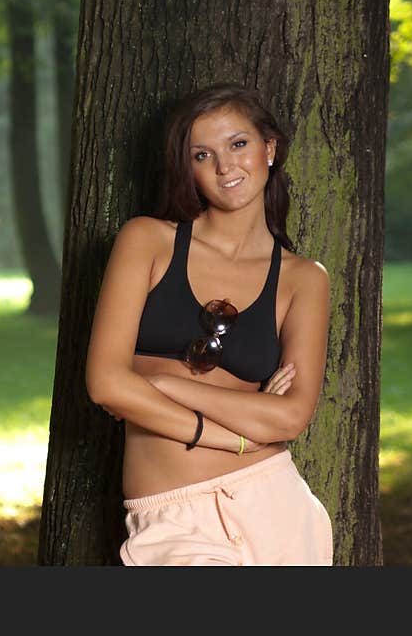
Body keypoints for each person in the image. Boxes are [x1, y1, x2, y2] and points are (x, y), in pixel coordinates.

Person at [84, 83, 333, 566]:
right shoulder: (147, 242)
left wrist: (162, 385)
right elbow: (106, 385)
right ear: (188, 168)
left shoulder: (304, 278)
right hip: (173, 520)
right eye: (203, 154)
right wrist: (235, 432)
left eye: (238, 144)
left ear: (270, 148)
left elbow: (290, 418)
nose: (225, 166)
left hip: (276, 509)